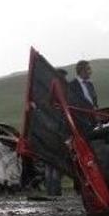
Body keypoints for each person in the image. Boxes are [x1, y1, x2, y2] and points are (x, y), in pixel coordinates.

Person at [44, 68, 69, 196]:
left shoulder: (49, 91)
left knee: (49, 163)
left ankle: (50, 190)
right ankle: (55, 190)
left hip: (49, 132)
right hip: (58, 132)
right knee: (57, 163)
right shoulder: (61, 89)